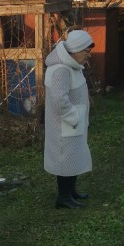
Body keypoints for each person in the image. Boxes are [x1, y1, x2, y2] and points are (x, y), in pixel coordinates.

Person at [44, 29, 94, 209]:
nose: (89, 55)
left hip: (73, 124)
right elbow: (59, 100)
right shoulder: (61, 69)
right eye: (86, 51)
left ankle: (71, 191)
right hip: (65, 124)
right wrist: (74, 117)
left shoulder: (71, 65)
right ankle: (63, 197)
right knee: (64, 159)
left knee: (74, 156)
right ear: (76, 50)